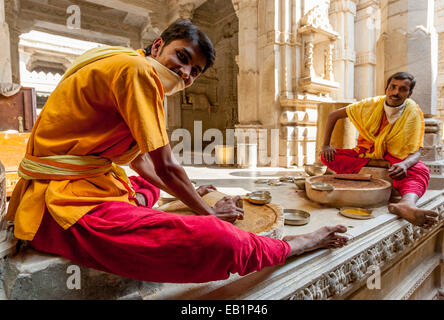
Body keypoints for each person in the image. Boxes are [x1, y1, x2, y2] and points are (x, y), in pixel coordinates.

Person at [6, 19, 348, 284]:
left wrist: (192, 195)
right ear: (158, 46)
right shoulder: (139, 72)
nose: (184, 73)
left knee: (148, 186)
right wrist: (206, 214)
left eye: (194, 72)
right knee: (217, 239)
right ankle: (293, 245)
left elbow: (138, 160)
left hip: (88, 181)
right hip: (58, 204)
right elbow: (166, 166)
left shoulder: (128, 64)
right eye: (181, 58)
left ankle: (141, 205)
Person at [321, 72, 438, 229]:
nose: (396, 92)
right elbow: (333, 115)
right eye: (393, 87)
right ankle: (380, 164)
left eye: (403, 89)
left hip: (395, 156)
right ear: (387, 89)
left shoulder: (413, 112)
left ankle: (406, 204)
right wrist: (326, 146)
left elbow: (416, 152)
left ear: (409, 93)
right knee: (328, 156)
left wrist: (404, 165)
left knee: (420, 170)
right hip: (367, 153)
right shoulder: (371, 104)